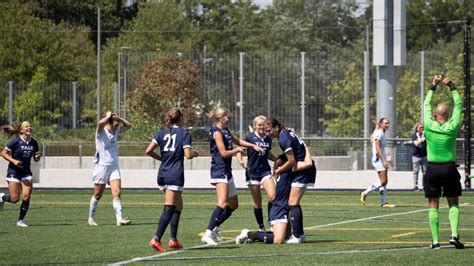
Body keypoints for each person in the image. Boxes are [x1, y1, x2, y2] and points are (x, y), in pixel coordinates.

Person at [200, 107, 265, 245]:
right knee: (222, 202)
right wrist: (236, 150)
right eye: (227, 117)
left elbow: (239, 141)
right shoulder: (216, 132)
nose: (229, 119)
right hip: (219, 170)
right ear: (220, 118)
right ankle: (208, 233)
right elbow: (223, 153)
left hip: (226, 171)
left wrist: (253, 146)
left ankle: (216, 227)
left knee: (233, 204)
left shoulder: (225, 131)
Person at [235, 147, 314, 245]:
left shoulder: (284, 165)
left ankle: (298, 234)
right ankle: (248, 233)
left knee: (285, 236)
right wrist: (305, 148)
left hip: (286, 207)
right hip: (279, 208)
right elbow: (309, 163)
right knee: (278, 240)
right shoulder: (288, 167)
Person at [145, 108, 198, 252]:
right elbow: (187, 155)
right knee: (169, 208)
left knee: (178, 206)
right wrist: (195, 153)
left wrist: (161, 158)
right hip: (174, 174)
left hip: (162, 173)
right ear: (180, 118)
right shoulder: (184, 133)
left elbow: (148, 150)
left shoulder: (162, 132)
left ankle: (173, 240)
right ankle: (156, 239)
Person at [423, 75, 463, 249]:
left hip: (432, 169)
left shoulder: (428, 124)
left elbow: (425, 104)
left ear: (434, 114)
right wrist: (451, 86)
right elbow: (459, 104)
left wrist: (434, 85)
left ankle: (435, 241)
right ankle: (454, 235)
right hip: (449, 168)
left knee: (433, 203)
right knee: (453, 202)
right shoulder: (452, 126)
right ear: (448, 115)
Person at [263, 118, 316, 244]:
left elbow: (291, 161)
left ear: (276, 127)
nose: (268, 133)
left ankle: (297, 236)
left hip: (302, 170)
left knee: (293, 202)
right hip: (302, 168)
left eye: (269, 130)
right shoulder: (287, 133)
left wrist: (279, 171)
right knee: (293, 202)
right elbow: (301, 148)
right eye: (266, 131)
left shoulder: (283, 138)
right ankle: (299, 235)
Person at [87, 111, 133, 226]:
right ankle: (91, 218)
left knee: (117, 192)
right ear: (109, 123)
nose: (117, 127)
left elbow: (129, 125)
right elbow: (100, 123)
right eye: (115, 124)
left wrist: (119, 118)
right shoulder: (101, 131)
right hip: (101, 167)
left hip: (114, 167)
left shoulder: (115, 131)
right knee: (97, 194)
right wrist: (108, 116)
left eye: (118, 125)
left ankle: (119, 219)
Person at [236, 115, 277, 232]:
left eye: (263, 124)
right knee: (257, 203)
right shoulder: (249, 137)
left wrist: (278, 160)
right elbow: (240, 151)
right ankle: (261, 227)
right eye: (259, 124)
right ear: (255, 126)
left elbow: (267, 154)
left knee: (273, 196)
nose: (261, 127)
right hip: (252, 173)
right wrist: (241, 161)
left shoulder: (268, 138)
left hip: (265, 171)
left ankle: (272, 221)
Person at [0, 121, 40, 227]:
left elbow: (36, 158)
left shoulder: (34, 143)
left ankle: (20, 221)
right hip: (14, 172)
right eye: (27, 126)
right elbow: (3, 153)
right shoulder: (16, 141)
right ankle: (2, 197)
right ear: (22, 130)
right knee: (14, 199)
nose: (29, 128)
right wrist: (13, 161)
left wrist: (38, 157)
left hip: (26, 173)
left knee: (26, 196)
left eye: (30, 126)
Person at [360, 117, 395, 208]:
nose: (387, 125)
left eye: (388, 123)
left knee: (383, 182)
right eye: (385, 123)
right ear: (380, 124)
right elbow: (377, 148)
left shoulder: (382, 133)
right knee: (384, 181)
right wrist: (384, 160)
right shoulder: (378, 133)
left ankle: (384, 202)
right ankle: (364, 192)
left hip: (382, 158)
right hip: (378, 159)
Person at [411, 122, 427, 191]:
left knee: (425, 172)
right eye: (420, 127)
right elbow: (416, 144)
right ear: (417, 129)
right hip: (416, 156)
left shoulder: (425, 135)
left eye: (422, 127)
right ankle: (415, 186)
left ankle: (425, 186)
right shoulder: (414, 136)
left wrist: (424, 136)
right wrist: (421, 140)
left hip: (424, 156)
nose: (421, 129)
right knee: (416, 172)